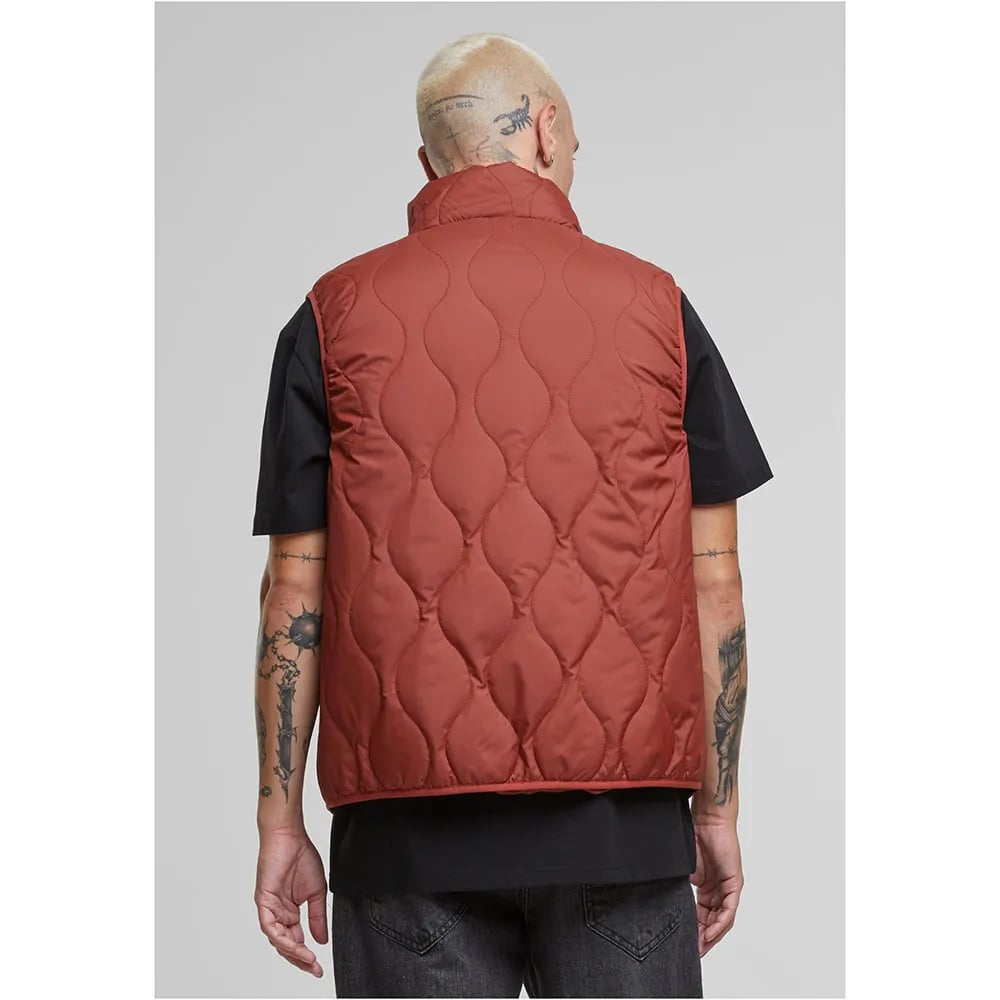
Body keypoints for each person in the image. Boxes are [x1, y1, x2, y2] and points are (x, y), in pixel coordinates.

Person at [251, 32, 772, 999]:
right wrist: (717, 809)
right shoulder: (657, 308)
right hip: (621, 837)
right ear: (546, 129)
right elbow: (716, 588)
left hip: (405, 845)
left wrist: (279, 822)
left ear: (428, 164)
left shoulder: (333, 313)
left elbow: (294, 590)